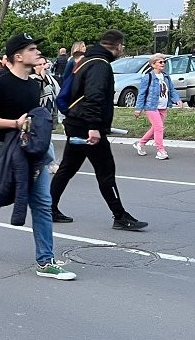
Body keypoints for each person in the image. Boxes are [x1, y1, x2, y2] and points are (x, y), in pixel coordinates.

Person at [0, 33, 76, 280]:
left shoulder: (34, 85)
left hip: (30, 152)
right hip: (2, 150)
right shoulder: (1, 82)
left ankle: (46, 261)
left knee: (42, 205)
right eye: (32, 49)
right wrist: (14, 123)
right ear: (18, 56)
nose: (38, 53)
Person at [50, 30, 148, 230]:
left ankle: (48, 209)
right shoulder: (100, 65)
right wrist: (95, 127)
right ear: (118, 46)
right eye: (123, 47)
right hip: (87, 126)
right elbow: (94, 96)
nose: (122, 50)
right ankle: (120, 216)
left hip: (76, 122)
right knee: (105, 171)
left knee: (67, 168)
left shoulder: (86, 60)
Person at [133, 53, 186, 160]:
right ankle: (160, 151)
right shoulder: (148, 77)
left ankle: (140, 143)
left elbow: (171, 89)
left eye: (164, 62)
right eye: (160, 62)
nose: (163, 64)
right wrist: (138, 109)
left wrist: (177, 100)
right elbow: (142, 93)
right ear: (153, 64)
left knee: (155, 128)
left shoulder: (166, 77)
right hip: (151, 107)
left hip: (163, 107)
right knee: (159, 128)